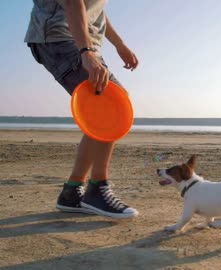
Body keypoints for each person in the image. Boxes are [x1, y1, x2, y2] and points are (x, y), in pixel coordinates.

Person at [25, 0, 139, 218]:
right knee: (111, 107)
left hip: (80, 40)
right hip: (60, 37)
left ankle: (72, 191)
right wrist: (86, 52)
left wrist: (119, 44)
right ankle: (97, 188)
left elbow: (96, 10)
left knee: (107, 109)